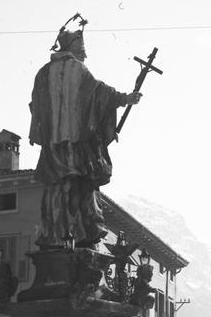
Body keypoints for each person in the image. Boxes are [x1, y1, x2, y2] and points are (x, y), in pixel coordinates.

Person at [27, 14, 144, 248]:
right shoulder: (78, 70)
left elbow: (35, 106)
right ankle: (82, 232)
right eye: (82, 49)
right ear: (73, 48)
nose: (85, 54)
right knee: (83, 185)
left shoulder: (43, 72)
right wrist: (125, 98)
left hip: (52, 146)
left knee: (56, 188)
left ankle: (54, 234)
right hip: (77, 145)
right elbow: (100, 94)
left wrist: (41, 132)